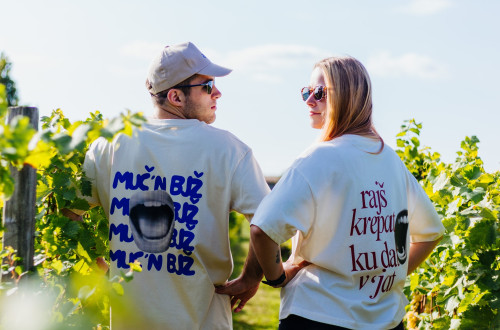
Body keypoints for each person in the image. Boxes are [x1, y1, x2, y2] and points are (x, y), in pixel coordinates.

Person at [217, 56, 445, 329]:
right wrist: (388, 278)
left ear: (349, 97)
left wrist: (276, 277)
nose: (309, 101)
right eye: (306, 92)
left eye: (319, 93)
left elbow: (262, 230)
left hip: (318, 315)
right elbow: (431, 233)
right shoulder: (390, 160)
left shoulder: (318, 159)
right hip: (387, 320)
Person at [78, 42, 270, 329]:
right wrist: (252, 277)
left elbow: (68, 212)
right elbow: (268, 221)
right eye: (207, 85)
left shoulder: (108, 146)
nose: (217, 92)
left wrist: (98, 268)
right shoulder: (228, 150)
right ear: (175, 96)